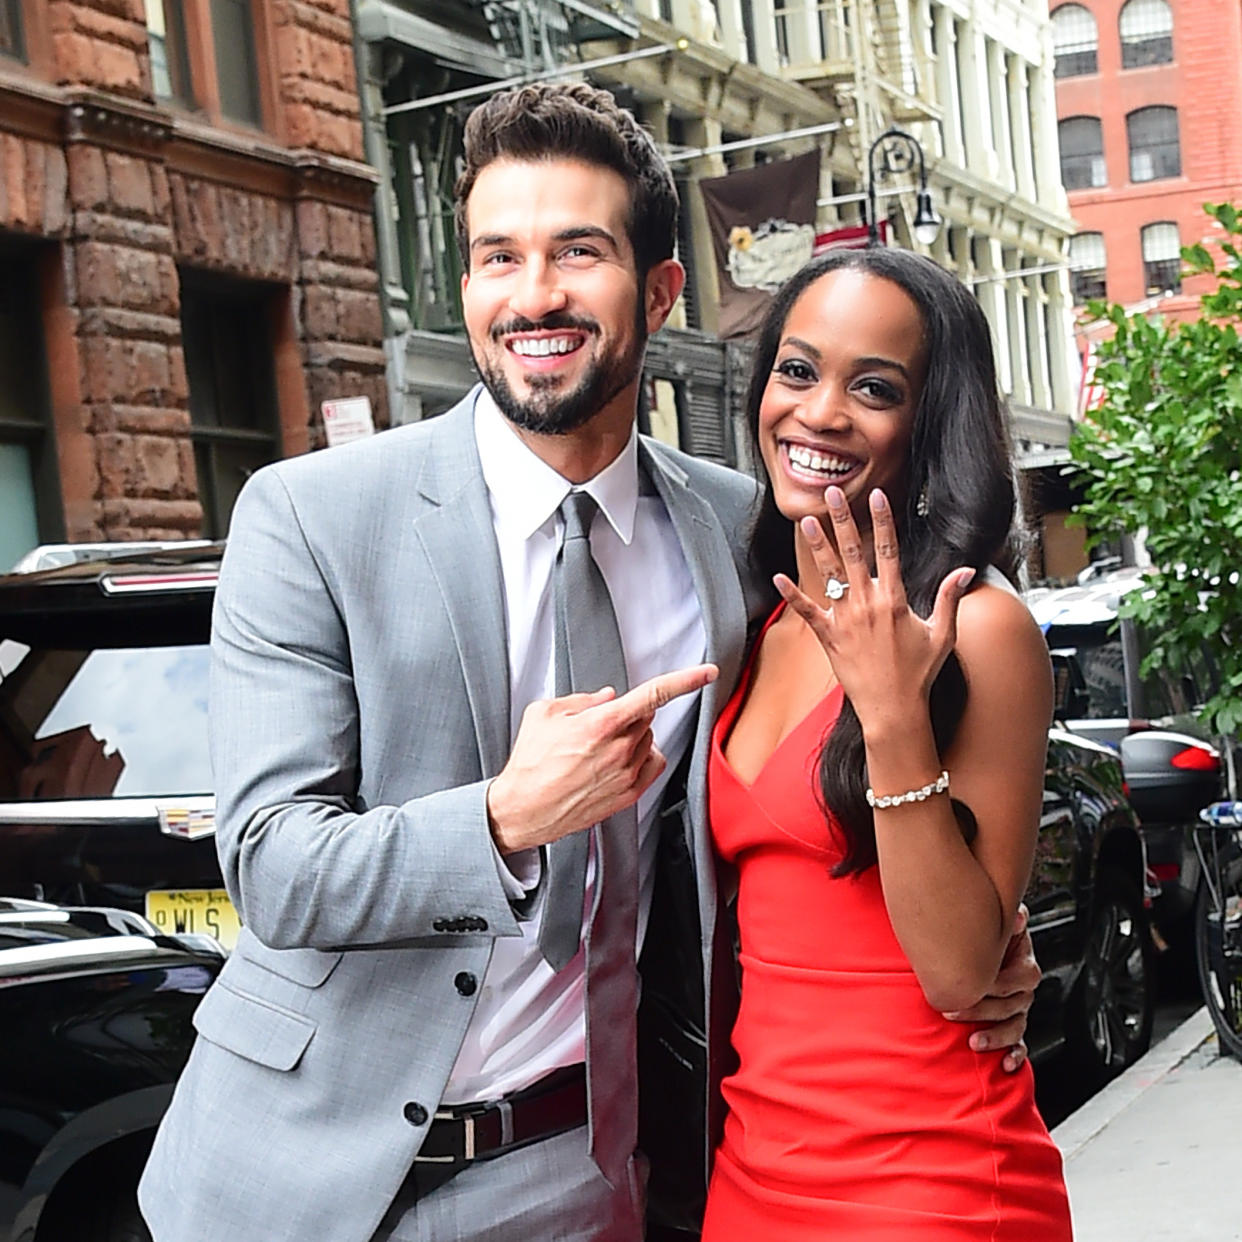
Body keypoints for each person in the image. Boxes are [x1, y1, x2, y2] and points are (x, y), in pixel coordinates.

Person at [139, 85, 1038, 1242]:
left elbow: (802, 832)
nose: (534, 297)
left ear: (662, 289)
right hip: (297, 1181)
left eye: (578, 252)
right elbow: (271, 869)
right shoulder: (310, 514)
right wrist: (506, 818)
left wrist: (986, 937)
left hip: (584, 1173)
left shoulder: (735, 535)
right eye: (496, 257)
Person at [700, 246, 1073, 1240]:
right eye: (796, 368)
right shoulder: (757, 620)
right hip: (754, 1176)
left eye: (873, 387)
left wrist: (892, 712)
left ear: (928, 422)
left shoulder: (978, 629)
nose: (818, 412)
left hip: (931, 1182)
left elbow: (959, 969)